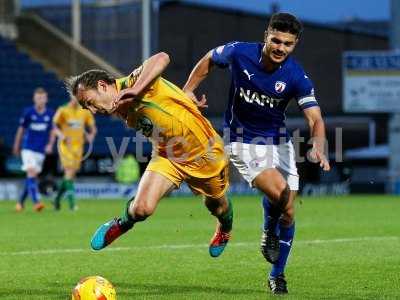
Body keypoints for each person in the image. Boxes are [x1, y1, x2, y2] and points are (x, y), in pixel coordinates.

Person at [183, 13, 330, 294]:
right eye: (276, 40)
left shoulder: (296, 75)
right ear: (266, 36)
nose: (280, 48)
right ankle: (270, 233)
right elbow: (209, 60)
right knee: (282, 197)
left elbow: (315, 119)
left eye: (287, 44)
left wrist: (318, 144)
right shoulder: (239, 52)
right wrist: (188, 90)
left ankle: (277, 273)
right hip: (242, 141)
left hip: (279, 143)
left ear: (295, 44)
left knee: (288, 212)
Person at [65, 52, 233, 258]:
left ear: (102, 86)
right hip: (167, 155)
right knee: (142, 209)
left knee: (217, 206)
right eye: (86, 107)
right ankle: (121, 224)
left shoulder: (132, 84)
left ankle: (225, 228)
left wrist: (136, 90)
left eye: (90, 102)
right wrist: (184, 99)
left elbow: (162, 58)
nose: (91, 110)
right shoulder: (118, 108)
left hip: (205, 154)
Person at [13, 87, 55, 212]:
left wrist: (50, 145)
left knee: (31, 176)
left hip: (40, 151)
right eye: (38, 98)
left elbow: (53, 131)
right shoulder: (28, 112)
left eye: (42, 98)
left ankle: (20, 203)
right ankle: (37, 202)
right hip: (28, 148)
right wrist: (17, 145)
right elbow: (21, 130)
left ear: (46, 99)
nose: (40, 100)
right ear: (34, 99)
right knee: (31, 172)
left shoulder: (50, 114)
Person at [52, 96, 97, 210]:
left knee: (70, 175)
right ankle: (72, 205)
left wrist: (91, 135)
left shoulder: (84, 111)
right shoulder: (63, 110)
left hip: (78, 147)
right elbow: (54, 126)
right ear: (71, 96)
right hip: (65, 146)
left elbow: (92, 127)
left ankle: (56, 200)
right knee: (69, 170)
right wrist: (61, 135)